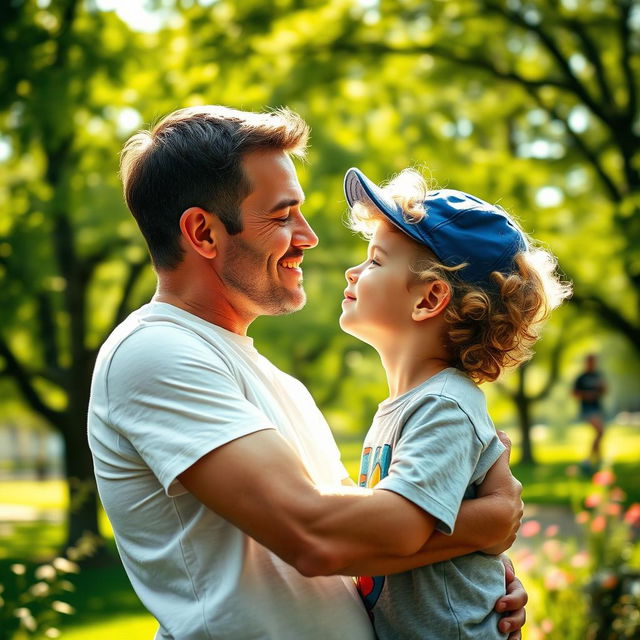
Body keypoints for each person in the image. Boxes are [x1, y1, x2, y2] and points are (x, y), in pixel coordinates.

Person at [88, 105, 527, 640]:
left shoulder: (279, 384)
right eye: (282, 214)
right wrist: (492, 522)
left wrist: (465, 585)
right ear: (203, 233)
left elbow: (367, 540)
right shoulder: (154, 351)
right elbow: (318, 537)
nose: (309, 235)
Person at [339, 167, 571, 639]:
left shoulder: (444, 407)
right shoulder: (413, 405)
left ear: (429, 298)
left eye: (376, 261)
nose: (353, 272)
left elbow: (395, 531)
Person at [573, 354, 607, 468]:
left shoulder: (598, 375)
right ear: (586, 363)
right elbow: (574, 393)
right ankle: (588, 459)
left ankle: (597, 460)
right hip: (587, 409)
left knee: (599, 433)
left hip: (597, 408)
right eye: (590, 362)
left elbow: (604, 391)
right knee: (600, 431)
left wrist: (602, 387)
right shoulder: (581, 377)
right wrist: (586, 395)